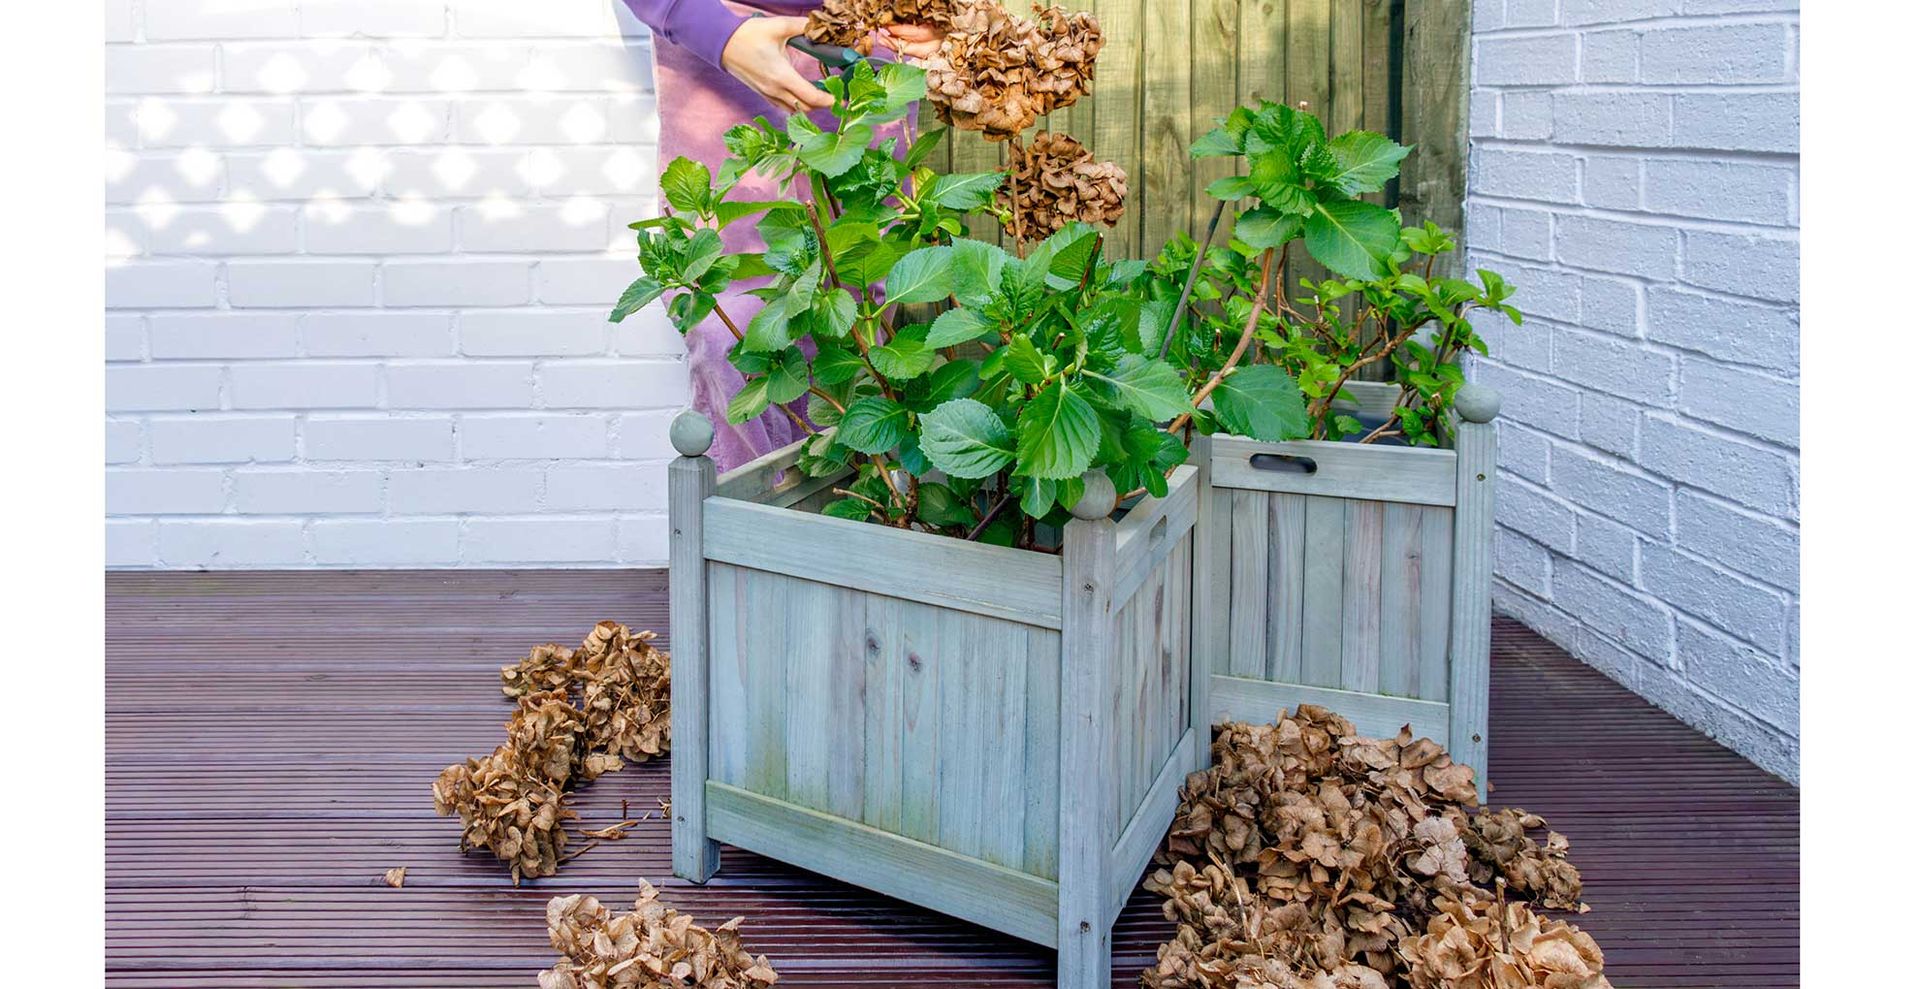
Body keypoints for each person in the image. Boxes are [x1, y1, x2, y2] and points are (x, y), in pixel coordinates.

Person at [624, 2, 943, 470]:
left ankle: (842, 525)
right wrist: (719, 35)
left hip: (866, 44)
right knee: (730, 332)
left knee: (855, 335)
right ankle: (748, 534)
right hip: (727, 40)